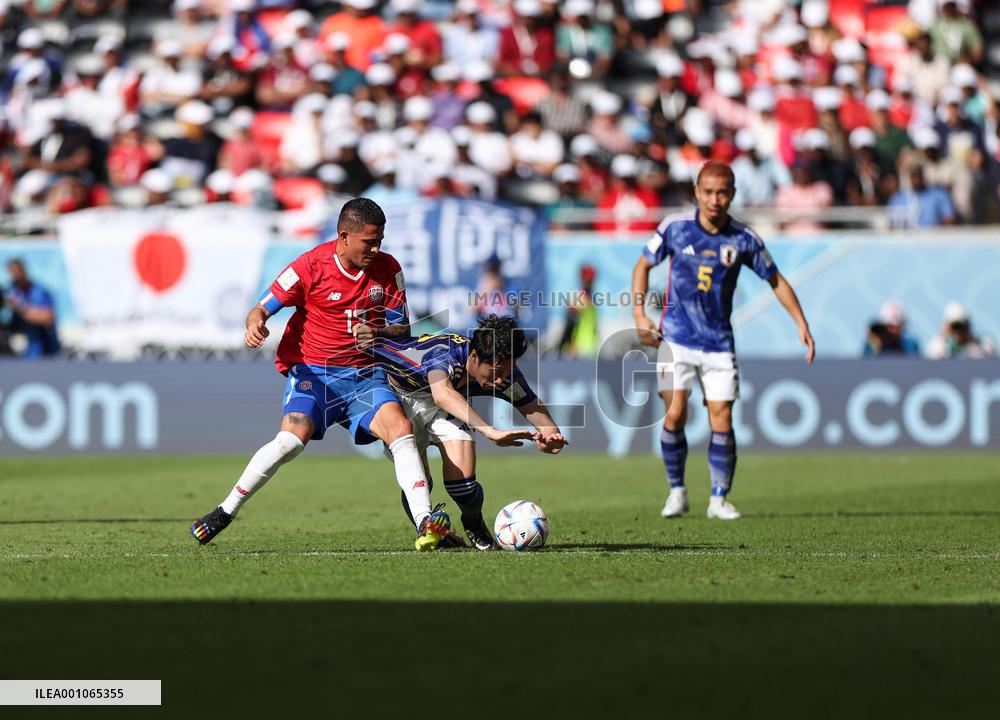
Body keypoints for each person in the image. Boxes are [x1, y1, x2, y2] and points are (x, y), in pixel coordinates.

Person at [190, 199, 451, 552]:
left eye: (380, 241)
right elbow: (260, 309)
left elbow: (401, 329)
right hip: (315, 375)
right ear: (344, 236)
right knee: (290, 441)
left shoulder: (389, 269)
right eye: (369, 242)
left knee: (400, 429)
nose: (376, 249)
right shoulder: (309, 266)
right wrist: (255, 324)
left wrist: (377, 334)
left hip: (366, 375)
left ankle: (425, 522)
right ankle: (225, 511)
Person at [631, 161, 814, 521]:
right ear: (696, 192)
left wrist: (800, 322)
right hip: (676, 339)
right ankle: (677, 491)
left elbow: (775, 280)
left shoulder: (744, 239)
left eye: (722, 193)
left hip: (718, 343)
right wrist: (639, 314)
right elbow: (642, 266)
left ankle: (718, 499)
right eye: (708, 192)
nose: (715, 200)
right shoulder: (675, 227)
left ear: (732, 195)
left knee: (722, 419)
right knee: (675, 413)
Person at [371, 316, 567, 549]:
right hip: (402, 400)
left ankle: (473, 523)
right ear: (474, 357)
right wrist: (490, 431)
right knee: (419, 481)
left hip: (450, 402)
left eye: (507, 370)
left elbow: (532, 407)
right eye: (495, 371)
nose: (501, 379)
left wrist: (551, 437)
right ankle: (429, 529)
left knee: (462, 483)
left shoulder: (505, 373)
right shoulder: (444, 354)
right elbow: (441, 394)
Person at [4, 258, 60, 357]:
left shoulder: (39, 291)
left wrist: (22, 309)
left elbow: (48, 317)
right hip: (26, 352)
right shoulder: (12, 291)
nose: (15, 275)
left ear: (24, 270)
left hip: (46, 350)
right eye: (12, 272)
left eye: (17, 272)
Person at [927, 302, 996, 359]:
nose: (957, 329)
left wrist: (969, 340)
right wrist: (943, 335)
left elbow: (989, 359)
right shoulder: (944, 349)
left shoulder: (983, 344)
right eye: (954, 326)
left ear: (968, 324)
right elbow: (932, 357)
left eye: (961, 325)